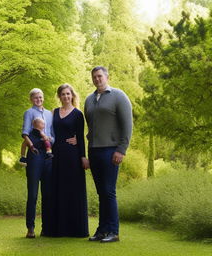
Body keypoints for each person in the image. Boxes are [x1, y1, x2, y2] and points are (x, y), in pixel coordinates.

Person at [84, 66, 133, 243]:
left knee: (109, 191)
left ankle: (114, 231)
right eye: (94, 77)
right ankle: (102, 230)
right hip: (94, 150)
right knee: (101, 192)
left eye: (100, 76)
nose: (97, 79)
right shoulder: (89, 100)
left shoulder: (119, 96)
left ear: (106, 77)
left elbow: (128, 125)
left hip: (111, 150)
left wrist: (121, 150)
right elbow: (90, 126)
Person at [45, 83, 89, 237]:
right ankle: (58, 229)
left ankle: (75, 229)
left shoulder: (78, 114)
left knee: (72, 190)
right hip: (56, 155)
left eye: (68, 94)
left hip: (72, 156)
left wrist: (83, 156)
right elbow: (49, 132)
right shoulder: (54, 112)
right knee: (57, 189)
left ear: (72, 95)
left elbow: (81, 137)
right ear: (59, 96)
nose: (66, 96)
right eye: (63, 94)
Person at [22, 88, 54, 238]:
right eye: (35, 97)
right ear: (31, 99)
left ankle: (47, 227)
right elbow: (25, 133)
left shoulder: (49, 114)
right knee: (33, 193)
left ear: (43, 98)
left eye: (40, 97)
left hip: (48, 154)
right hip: (34, 154)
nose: (38, 99)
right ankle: (30, 228)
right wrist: (32, 147)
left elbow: (53, 136)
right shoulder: (29, 113)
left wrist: (49, 140)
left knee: (47, 193)